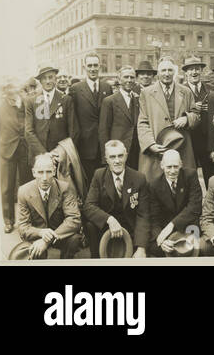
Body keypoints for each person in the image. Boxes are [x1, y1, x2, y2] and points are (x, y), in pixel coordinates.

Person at [81, 140, 148, 258]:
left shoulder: (139, 178)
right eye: (112, 157)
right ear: (106, 159)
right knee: (91, 225)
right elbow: (89, 206)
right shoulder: (99, 175)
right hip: (106, 228)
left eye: (120, 156)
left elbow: (143, 215)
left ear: (126, 156)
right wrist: (110, 219)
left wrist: (141, 248)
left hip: (130, 228)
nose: (117, 161)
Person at [136, 57, 199, 180]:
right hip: (157, 148)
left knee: (182, 184)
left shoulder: (186, 92)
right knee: (155, 187)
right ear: (158, 73)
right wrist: (150, 145)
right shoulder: (147, 93)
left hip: (182, 146)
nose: (167, 73)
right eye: (163, 70)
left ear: (174, 72)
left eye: (170, 70)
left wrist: (187, 119)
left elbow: (196, 115)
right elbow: (142, 122)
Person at [14, 153, 84, 259]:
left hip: (60, 234)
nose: (45, 178)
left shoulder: (65, 188)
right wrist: (41, 233)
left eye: (48, 172)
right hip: (37, 235)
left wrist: (46, 241)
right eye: (40, 172)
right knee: (36, 251)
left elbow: (74, 219)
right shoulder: (24, 191)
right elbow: (23, 227)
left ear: (54, 172)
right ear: (33, 173)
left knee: (74, 240)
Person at [140, 150, 202, 257]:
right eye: (169, 167)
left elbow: (195, 207)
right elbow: (154, 218)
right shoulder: (154, 185)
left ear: (181, 164)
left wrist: (172, 225)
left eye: (175, 166)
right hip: (166, 233)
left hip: (189, 226)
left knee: (193, 249)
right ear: (162, 165)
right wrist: (162, 239)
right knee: (156, 248)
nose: (172, 171)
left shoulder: (190, 176)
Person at [68, 54, 113, 186]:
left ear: (100, 66)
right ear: (84, 67)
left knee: (105, 181)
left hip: (104, 144)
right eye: (90, 66)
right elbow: (73, 119)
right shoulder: (75, 89)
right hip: (85, 145)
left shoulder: (107, 88)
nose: (93, 69)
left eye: (95, 65)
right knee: (88, 181)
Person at [3, 78, 35, 232]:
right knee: (7, 187)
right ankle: (8, 220)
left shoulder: (25, 102)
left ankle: (27, 220)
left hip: (24, 149)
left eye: (16, 87)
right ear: (6, 90)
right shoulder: (0, 106)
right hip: (6, 150)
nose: (14, 91)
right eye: (10, 88)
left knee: (26, 185)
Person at [24, 66, 76, 157]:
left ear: (55, 79)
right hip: (39, 156)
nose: (48, 81)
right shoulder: (31, 101)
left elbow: (72, 130)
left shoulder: (66, 100)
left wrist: (61, 152)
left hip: (60, 155)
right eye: (44, 78)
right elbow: (29, 131)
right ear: (40, 81)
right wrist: (43, 153)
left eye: (50, 77)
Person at [180, 57, 214, 185]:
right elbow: (178, 114)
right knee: (189, 177)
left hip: (208, 141)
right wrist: (192, 108)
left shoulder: (212, 89)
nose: (194, 72)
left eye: (197, 69)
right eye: (190, 69)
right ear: (186, 73)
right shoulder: (180, 91)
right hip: (189, 140)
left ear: (201, 71)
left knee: (212, 177)